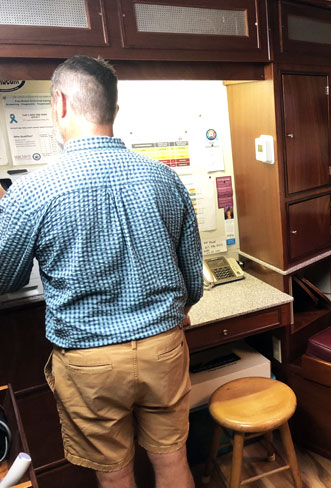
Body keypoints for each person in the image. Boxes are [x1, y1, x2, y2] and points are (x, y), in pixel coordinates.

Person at [0, 56, 203, 488]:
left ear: (59, 103)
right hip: (162, 348)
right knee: (172, 462)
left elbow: (5, 278)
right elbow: (193, 282)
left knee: (115, 476)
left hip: (89, 360)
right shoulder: (164, 178)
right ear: (114, 107)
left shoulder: (32, 191)